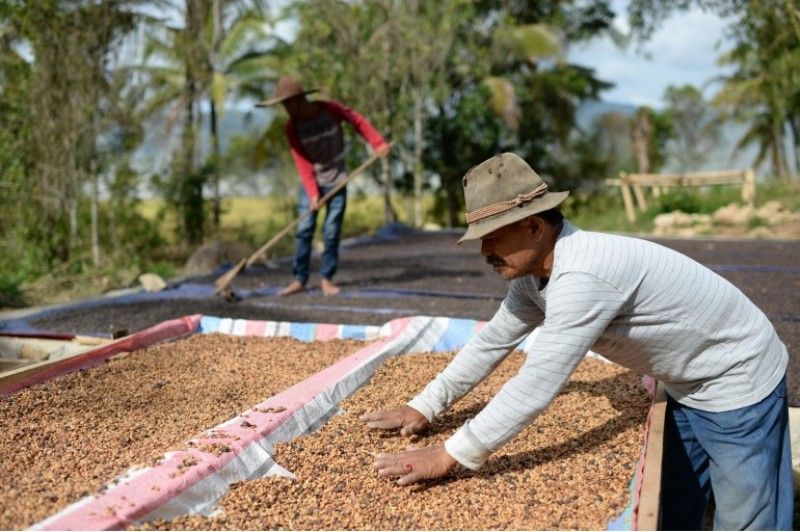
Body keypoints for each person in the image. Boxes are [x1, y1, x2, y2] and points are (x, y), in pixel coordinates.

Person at [360, 152, 792, 530]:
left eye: (493, 238)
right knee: (673, 506)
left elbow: (537, 383)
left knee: (747, 517)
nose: (484, 252)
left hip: (736, 380)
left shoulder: (582, 276)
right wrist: (426, 404)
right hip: (683, 380)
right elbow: (491, 342)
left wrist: (451, 454)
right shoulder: (536, 276)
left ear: (532, 228)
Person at [256, 76, 389, 296]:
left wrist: (377, 143)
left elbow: (357, 120)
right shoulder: (293, 128)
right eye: (283, 105)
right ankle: (299, 279)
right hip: (312, 182)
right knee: (304, 229)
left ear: (300, 100)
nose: (286, 109)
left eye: (288, 104)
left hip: (338, 180)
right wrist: (312, 194)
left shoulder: (330, 110)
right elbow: (302, 163)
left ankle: (326, 279)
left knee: (331, 230)